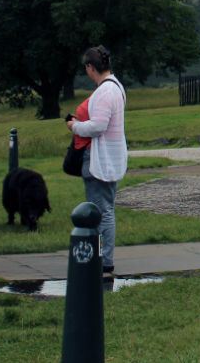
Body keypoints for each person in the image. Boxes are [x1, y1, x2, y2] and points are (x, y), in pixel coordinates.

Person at [67, 45, 127, 278]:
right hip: (112, 156)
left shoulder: (104, 92)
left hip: (100, 159)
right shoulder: (117, 87)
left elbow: (98, 126)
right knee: (106, 209)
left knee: (100, 212)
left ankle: (104, 262)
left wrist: (75, 126)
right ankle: (104, 259)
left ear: (91, 67)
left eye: (87, 69)